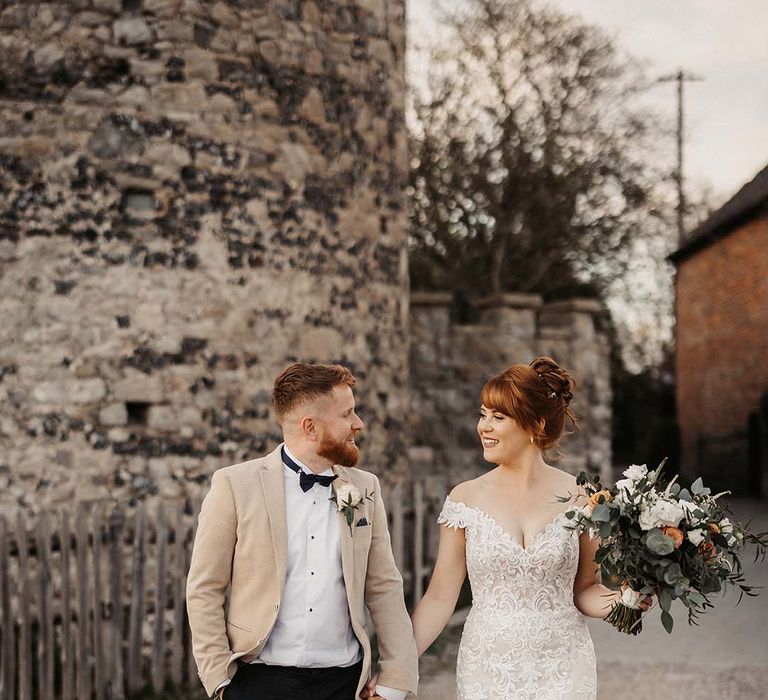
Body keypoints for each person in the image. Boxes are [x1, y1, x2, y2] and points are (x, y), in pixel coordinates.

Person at [406, 357, 649, 700]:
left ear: (535, 424)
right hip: (488, 669)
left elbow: (586, 590)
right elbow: (440, 597)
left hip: (564, 667)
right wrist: (396, 667)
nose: (483, 427)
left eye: (498, 417)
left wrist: (626, 600)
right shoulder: (466, 498)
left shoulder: (584, 499)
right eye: (483, 414)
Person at [186, 363, 418, 700]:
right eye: (347, 414)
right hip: (258, 681)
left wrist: (395, 681)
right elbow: (204, 586)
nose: (359, 424)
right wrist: (220, 679)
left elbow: (383, 585)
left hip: (344, 683)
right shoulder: (235, 485)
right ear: (310, 427)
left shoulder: (365, 488)